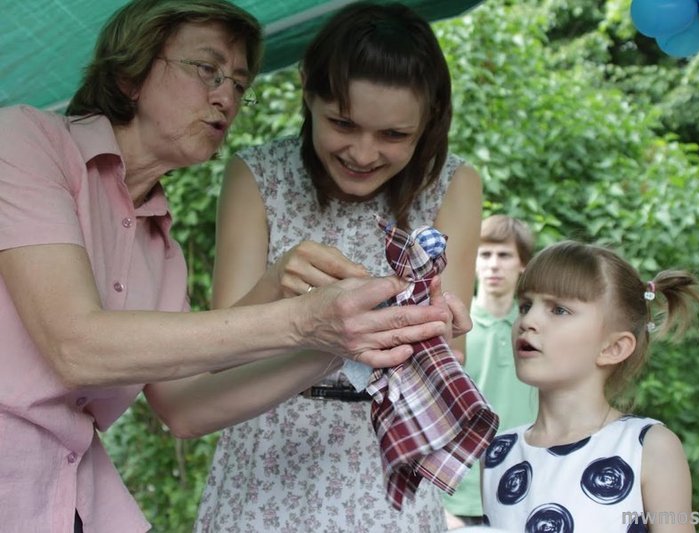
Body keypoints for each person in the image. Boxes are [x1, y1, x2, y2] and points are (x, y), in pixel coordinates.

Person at [0, 1, 467, 531]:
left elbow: (184, 409)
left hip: (72, 499)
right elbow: (74, 346)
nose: (227, 97)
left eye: (239, 85)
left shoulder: (159, 247)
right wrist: (304, 319)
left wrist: (342, 346)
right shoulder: (22, 142)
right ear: (130, 72)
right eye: (208, 71)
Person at [193, 2, 483, 531]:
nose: (363, 152)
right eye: (343, 123)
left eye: (394, 135)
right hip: (264, 456)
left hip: (386, 458)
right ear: (307, 90)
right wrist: (274, 283)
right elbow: (218, 356)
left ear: (430, 119)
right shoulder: (257, 175)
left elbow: (451, 349)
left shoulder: (453, 185)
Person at [482, 241, 699, 532]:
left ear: (613, 347)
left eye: (559, 310)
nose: (528, 320)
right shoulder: (497, 452)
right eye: (526, 305)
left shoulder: (649, 447)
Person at [444, 214, 539, 528]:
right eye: (484, 254)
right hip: (454, 497)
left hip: (528, 492)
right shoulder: (450, 326)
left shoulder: (538, 329)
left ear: (522, 263)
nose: (493, 264)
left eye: (504, 255)